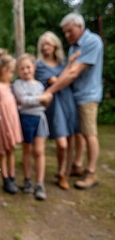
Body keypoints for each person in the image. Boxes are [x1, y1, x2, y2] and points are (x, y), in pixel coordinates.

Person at [43, 12, 104, 190]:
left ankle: (91, 173)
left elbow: (73, 73)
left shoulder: (92, 42)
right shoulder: (73, 48)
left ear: (80, 26)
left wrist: (50, 91)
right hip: (74, 96)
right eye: (65, 33)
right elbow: (68, 71)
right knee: (78, 134)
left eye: (70, 31)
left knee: (89, 133)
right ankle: (77, 165)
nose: (67, 36)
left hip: (87, 96)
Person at [35, 31, 79, 190]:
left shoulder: (62, 63)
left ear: (55, 45)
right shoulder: (39, 65)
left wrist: (68, 67)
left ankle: (63, 173)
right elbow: (59, 81)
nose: (45, 47)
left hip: (68, 101)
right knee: (62, 144)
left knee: (71, 139)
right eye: (43, 45)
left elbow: (69, 79)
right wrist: (69, 68)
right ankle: (61, 172)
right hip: (54, 106)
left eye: (48, 44)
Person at [12, 53, 52, 200]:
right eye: (22, 68)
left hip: (40, 119)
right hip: (25, 120)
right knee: (27, 150)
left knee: (39, 151)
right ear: (18, 71)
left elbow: (44, 104)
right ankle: (28, 180)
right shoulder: (17, 84)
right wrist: (42, 98)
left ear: (34, 67)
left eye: (28, 67)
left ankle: (40, 183)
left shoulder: (40, 85)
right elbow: (23, 100)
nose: (26, 71)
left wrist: (45, 101)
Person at [0, 49, 23, 194]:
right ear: (4, 71)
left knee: (11, 150)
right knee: (2, 151)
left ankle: (12, 176)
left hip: (12, 122)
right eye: (11, 72)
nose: (12, 75)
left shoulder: (9, 86)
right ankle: (5, 179)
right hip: (2, 125)